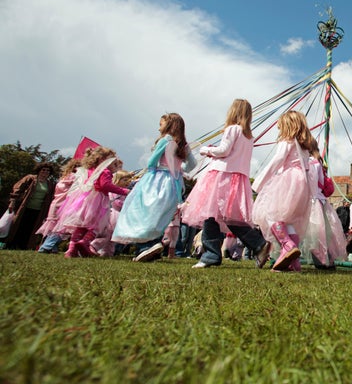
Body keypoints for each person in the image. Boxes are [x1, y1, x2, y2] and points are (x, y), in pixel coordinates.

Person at [180, 100, 271, 269]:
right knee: (229, 217)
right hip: (238, 178)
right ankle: (258, 244)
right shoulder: (248, 136)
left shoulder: (232, 129)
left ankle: (211, 255)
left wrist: (206, 150)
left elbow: (224, 151)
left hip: (222, 177)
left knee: (211, 214)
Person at [112, 113, 196, 262]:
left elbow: (152, 162)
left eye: (161, 124)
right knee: (159, 216)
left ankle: (146, 247)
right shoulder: (184, 145)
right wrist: (179, 169)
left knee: (144, 213)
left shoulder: (165, 140)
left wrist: (152, 173)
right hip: (174, 184)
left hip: (157, 180)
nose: (159, 128)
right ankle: (153, 248)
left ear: (169, 125)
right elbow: (192, 165)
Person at [252, 110, 314, 272]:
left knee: (271, 215)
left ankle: (288, 245)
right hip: (303, 184)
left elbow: (277, 160)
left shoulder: (286, 141)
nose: (277, 127)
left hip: (288, 180)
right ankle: (294, 263)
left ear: (287, 125)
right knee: (289, 221)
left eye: (280, 124)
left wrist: (259, 181)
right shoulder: (304, 147)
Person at [56, 147, 127, 258]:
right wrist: (124, 191)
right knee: (95, 225)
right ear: (102, 160)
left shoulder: (90, 170)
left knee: (80, 226)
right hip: (98, 201)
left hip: (84, 200)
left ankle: (71, 250)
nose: (113, 162)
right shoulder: (105, 171)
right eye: (111, 160)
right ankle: (84, 243)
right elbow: (105, 185)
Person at [301, 137, 347, 270]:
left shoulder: (311, 163)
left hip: (314, 202)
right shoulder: (318, 163)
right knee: (323, 234)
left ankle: (322, 261)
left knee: (317, 234)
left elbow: (310, 183)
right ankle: (327, 260)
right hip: (320, 202)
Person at [3, 162, 56, 250]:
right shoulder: (30, 178)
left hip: (38, 210)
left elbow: (50, 198)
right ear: (39, 170)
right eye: (43, 170)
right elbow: (17, 189)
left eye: (48, 171)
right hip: (24, 208)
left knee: (31, 228)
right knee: (18, 225)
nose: (45, 172)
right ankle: (11, 244)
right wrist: (12, 202)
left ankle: (24, 246)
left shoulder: (50, 184)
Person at [36, 159, 81, 253]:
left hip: (55, 204)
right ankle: (46, 246)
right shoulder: (75, 178)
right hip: (64, 206)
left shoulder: (63, 178)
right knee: (60, 227)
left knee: (53, 227)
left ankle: (53, 248)